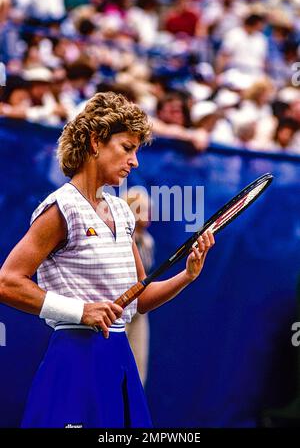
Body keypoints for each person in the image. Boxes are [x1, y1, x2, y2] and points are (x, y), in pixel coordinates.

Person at [0, 91, 215, 428]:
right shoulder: (62, 208)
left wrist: (187, 275)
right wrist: (81, 310)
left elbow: (138, 297)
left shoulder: (121, 211)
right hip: (74, 358)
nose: (135, 161)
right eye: (127, 148)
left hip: (119, 356)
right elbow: (7, 282)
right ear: (96, 142)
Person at [123, 187, 155, 386]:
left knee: (137, 369)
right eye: (143, 208)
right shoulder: (120, 238)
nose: (149, 213)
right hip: (118, 310)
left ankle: (131, 415)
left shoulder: (148, 241)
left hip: (139, 312)